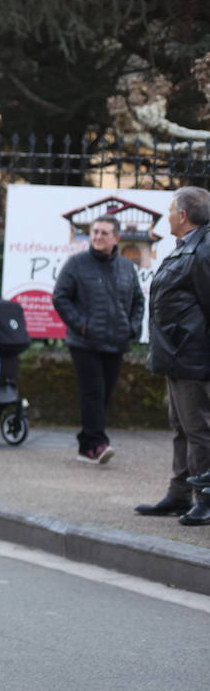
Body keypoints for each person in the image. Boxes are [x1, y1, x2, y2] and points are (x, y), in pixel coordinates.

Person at [137, 186, 210, 526]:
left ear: (183, 215)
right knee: (180, 426)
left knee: (198, 429)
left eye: (170, 210)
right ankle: (179, 493)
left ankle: (205, 498)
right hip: (176, 355)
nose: (166, 216)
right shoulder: (188, 247)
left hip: (193, 357)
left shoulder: (204, 250)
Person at [52, 214, 145, 464]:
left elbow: (138, 301)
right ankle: (98, 443)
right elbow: (60, 297)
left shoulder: (126, 266)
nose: (98, 236)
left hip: (116, 341)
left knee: (104, 394)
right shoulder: (76, 264)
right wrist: (82, 326)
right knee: (93, 392)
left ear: (116, 238)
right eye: (94, 232)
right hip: (85, 342)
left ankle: (86, 444)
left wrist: (132, 328)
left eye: (104, 233)